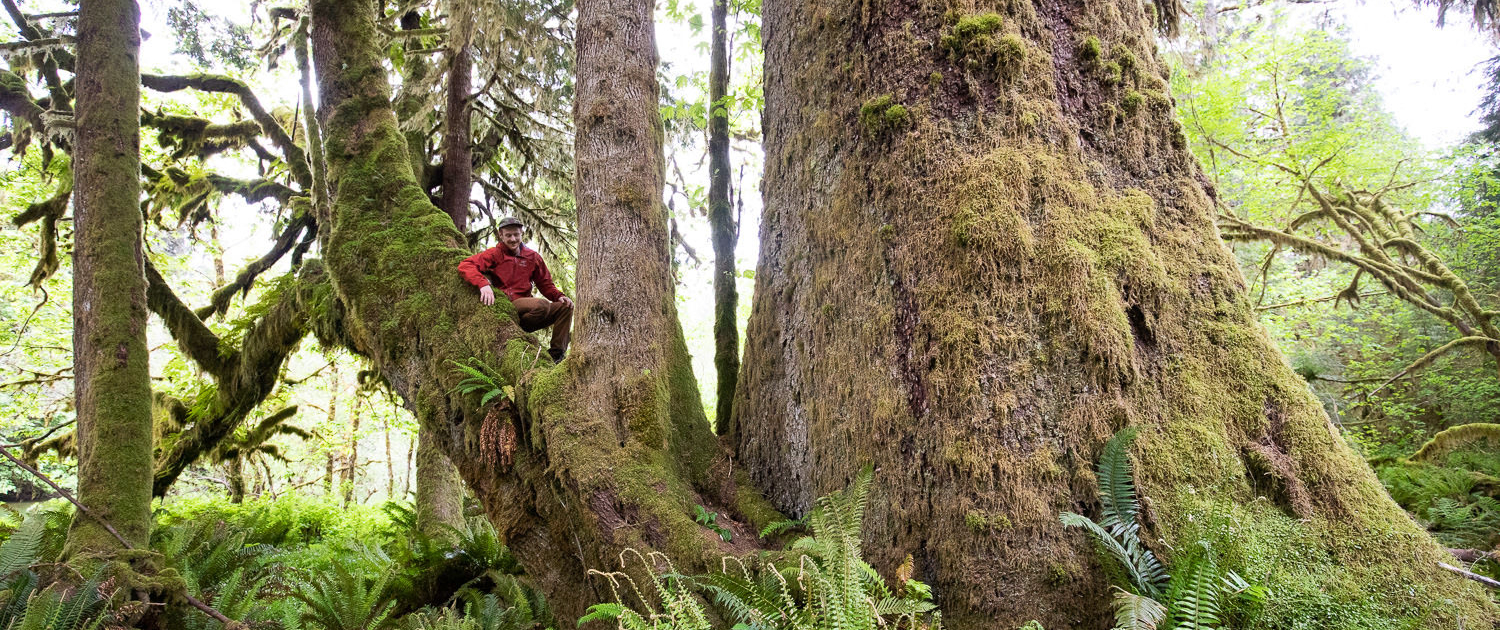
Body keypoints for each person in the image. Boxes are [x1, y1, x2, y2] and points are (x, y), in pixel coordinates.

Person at [458, 217, 574, 362]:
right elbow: (466, 265)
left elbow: (545, 283)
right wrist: (483, 284)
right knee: (542, 305)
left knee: (566, 307)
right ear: (501, 235)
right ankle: (518, 329)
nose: (513, 239)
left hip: (527, 308)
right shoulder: (494, 254)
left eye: (516, 235)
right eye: (508, 235)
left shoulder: (532, 257)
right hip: (508, 304)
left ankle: (556, 354)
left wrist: (558, 296)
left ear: (521, 234)